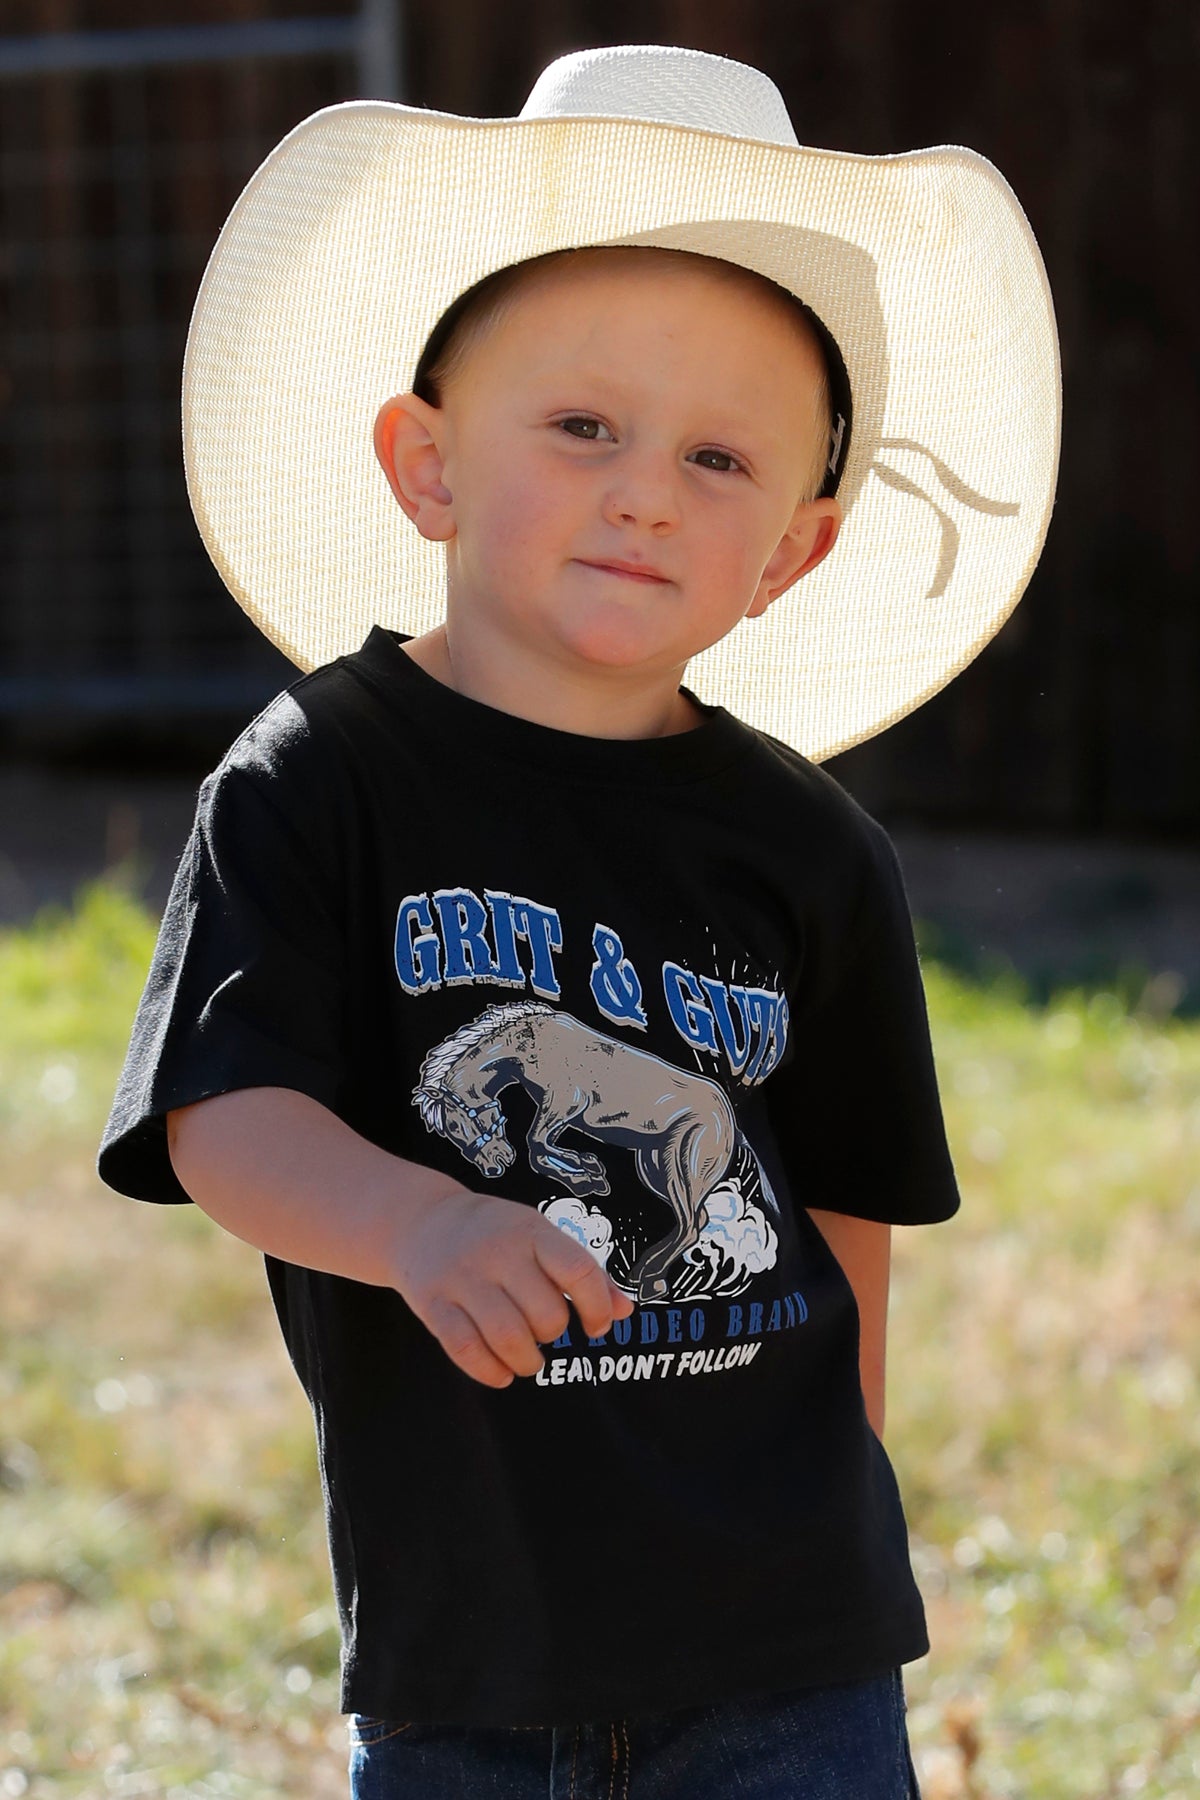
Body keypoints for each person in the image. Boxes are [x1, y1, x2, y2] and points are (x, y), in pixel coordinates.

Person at [98, 43, 1059, 1800]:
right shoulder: (318, 778)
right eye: (584, 427)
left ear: (792, 551)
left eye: (717, 458)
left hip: (790, 1645)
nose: (646, 493)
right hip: (476, 1626)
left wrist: (833, 1482)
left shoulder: (816, 852)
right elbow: (217, 1112)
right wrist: (414, 1225)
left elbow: (846, 1201)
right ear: (428, 463)